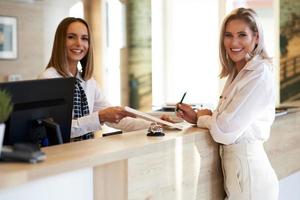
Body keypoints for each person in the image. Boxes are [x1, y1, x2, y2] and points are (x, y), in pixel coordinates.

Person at [176, 8, 278, 199]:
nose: (234, 42)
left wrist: (204, 117)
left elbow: (224, 131)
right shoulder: (237, 73)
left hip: (250, 178)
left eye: (242, 35)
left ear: (256, 38)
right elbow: (224, 122)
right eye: (228, 35)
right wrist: (198, 118)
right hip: (239, 175)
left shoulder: (259, 74)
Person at [39, 17, 151, 141]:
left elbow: (116, 119)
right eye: (71, 37)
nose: (79, 43)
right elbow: (57, 129)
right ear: (60, 41)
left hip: (86, 151)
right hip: (59, 155)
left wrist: (155, 124)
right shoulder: (48, 79)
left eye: (84, 38)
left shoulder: (88, 82)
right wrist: (99, 117)